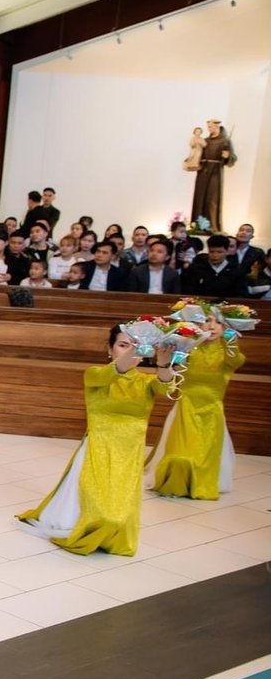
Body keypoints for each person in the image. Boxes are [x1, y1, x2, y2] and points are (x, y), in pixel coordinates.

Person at [17, 326, 177, 555]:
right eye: (123, 345)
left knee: (119, 511)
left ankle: (112, 534)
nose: (129, 350)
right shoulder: (95, 374)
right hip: (98, 446)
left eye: (135, 346)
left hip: (129, 451)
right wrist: (137, 349)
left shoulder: (145, 382)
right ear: (110, 350)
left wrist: (164, 362)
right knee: (98, 507)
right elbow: (117, 369)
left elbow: (166, 387)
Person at [151, 313, 244, 501]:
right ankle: (176, 483)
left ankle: (199, 485)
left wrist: (231, 341)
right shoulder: (189, 348)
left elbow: (236, 360)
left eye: (219, 322)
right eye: (207, 321)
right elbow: (170, 364)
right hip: (186, 407)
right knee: (180, 455)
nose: (212, 326)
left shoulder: (228, 352)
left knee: (203, 456)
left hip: (211, 412)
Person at [182, 234, 248, 297]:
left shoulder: (236, 270)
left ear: (226, 251)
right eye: (212, 252)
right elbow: (189, 291)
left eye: (219, 252)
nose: (215, 255)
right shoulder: (197, 267)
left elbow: (241, 294)